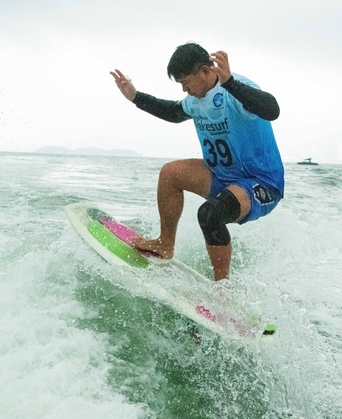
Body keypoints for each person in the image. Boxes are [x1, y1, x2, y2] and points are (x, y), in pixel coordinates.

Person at [110, 42, 284, 281]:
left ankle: (223, 289)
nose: (185, 90)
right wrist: (136, 97)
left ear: (205, 71)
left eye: (186, 82)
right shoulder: (195, 100)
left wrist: (231, 84)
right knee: (170, 174)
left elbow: (272, 110)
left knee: (210, 214)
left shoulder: (235, 90)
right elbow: (173, 112)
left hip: (260, 182)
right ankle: (165, 244)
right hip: (221, 176)